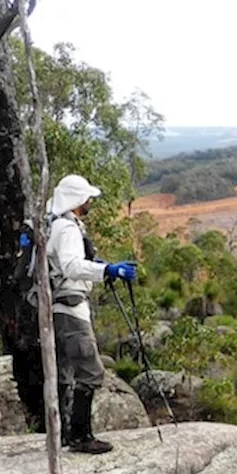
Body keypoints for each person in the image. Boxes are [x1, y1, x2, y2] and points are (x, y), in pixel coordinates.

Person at [45, 174, 137, 454]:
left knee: (62, 372)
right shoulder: (68, 229)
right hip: (71, 308)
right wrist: (108, 270)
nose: (90, 203)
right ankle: (81, 436)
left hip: (54, 309)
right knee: (91, 372)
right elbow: (72, 267)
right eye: (87, 198)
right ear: (77, 200)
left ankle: (60, 434)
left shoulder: (52, 225)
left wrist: (99, 267)